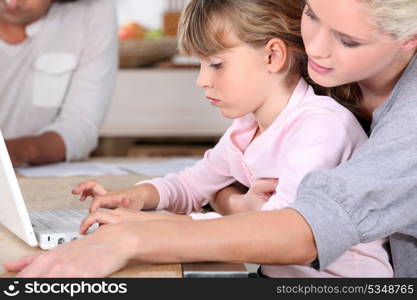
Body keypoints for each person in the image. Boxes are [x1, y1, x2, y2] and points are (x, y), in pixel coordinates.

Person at [4, 0, 417, 278]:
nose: (316, 49)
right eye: (311, 14)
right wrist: (140, 198)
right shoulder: (251, 122)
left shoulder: (323, 125)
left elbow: (287, 233)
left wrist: (150, 230)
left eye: (346, 40)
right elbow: (202, 180)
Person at [0, 0, 118, 167]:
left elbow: (80, 126)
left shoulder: (94, 9)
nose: (11, 3)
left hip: (35, 176)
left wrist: (18, 151)